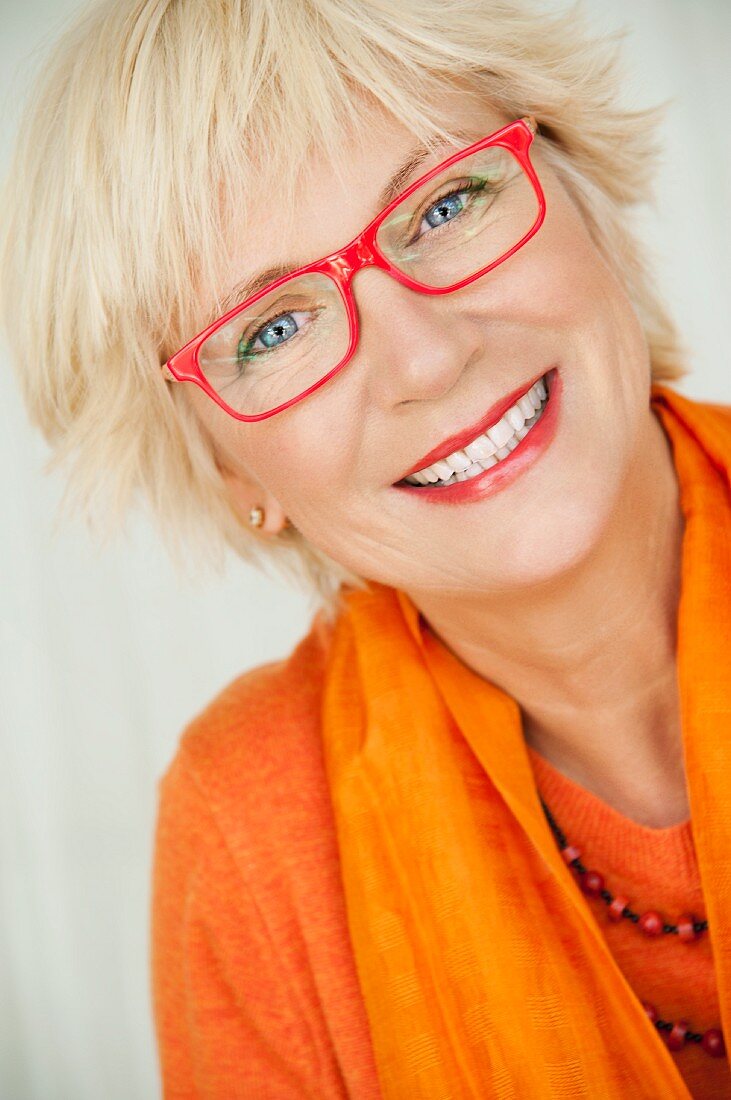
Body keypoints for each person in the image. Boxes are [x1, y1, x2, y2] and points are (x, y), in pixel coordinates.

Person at [2, 0, 730, 1096]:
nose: (426, 357)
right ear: (230, 471)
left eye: (443, 203)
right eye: (273, 329)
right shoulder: (250, 828)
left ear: (579, 194)